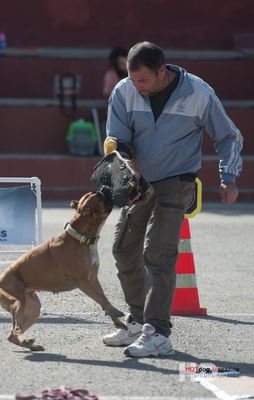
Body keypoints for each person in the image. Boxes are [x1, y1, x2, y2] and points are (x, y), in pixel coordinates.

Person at [102, 41, 243, 358]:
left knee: (159, 253)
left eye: (144, 81)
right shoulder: (125, 91)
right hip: (138, 183)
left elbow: (228, 135)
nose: (137, 86)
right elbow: (117, 139)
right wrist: (121, 164)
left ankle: (158, 334)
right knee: (123, 248)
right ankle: (137, 322)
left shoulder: (198, 93)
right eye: (133, 79)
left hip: (176, 183)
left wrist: (228, 176)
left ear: (162, 72)